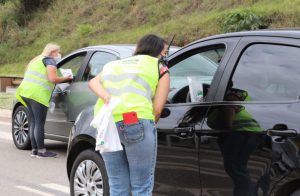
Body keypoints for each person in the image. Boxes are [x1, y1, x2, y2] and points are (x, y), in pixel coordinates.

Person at [89, 34, 170, 196]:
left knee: (117, 186)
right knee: (141, 186)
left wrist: (106, 96)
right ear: (160, 51)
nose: (166, 55)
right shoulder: (159, 66)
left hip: (108, 124)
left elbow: (92, 82)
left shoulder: (114, 64)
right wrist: (148, 124)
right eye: (166, 52)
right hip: (135, 120)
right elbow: (158, 109)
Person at [16, 43, 72, 158]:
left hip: (26, 93)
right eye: (57, 52)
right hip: (38, 95)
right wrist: (67, 78)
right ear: (52, 52)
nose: (58, 54)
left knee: (34, 122)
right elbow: (52, 79)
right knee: (39, 123)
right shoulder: (49, 61)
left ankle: (35, 150)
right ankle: (41, 151)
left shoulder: (36, 60)